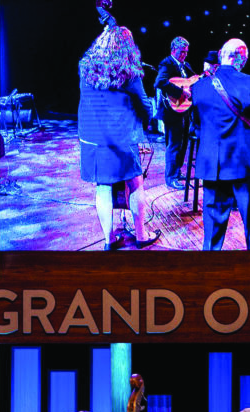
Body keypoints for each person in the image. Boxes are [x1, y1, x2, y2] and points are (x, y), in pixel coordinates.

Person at [190, 38, 250, 251]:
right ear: (240, 59)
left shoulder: (198, 88)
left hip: (211, 168)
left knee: (212, 229)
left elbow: (196, 127)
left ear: (222, 55)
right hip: (244, 165)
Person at [78, 25, 160, 251]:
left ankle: (108, 240)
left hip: (93, 138)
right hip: (122, 138)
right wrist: (148, 116)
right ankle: (142, 235)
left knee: (102, 186)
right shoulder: (129, 72)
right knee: (135, 183)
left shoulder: (84, 67)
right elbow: (144, 105)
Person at [154, 36, 194, 190]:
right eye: (182, 52)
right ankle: (170, 177)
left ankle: (177, 172)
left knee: (183, 143)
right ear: (174, 50)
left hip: (183, 110)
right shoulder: (167, 63)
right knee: (174, 143)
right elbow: (160, 82)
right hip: (172, 110)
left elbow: (192, 81)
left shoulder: (186, 65)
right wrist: (180, 92)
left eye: (186, 52)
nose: (184, 55)